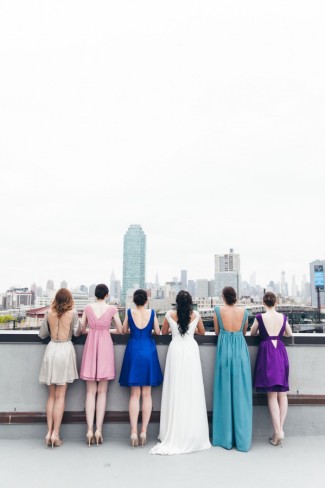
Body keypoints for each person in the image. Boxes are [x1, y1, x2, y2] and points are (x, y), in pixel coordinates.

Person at [150, 290, 211, 455]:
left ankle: (174, 430)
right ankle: (192, 431)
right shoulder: (196, 314)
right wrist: (190, 331)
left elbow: (163, 333)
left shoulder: (170, 314)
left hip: (176, 350)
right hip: (190, 350)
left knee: (175, 388)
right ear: (190, 302)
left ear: (176, 302)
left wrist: (173, 330)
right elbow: (203, 332)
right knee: (191, 389)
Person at [79, 284, 123, 446]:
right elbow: (120, 330)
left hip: (91, 346)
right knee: (102, 391)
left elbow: (81, 330)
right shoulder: (112, 309)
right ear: (107, 295)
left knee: (90, 392)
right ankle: (99, 430)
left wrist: (93, 330)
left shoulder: (87, 308)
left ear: (95, 294)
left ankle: (89, 430)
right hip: (105, 346)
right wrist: (106, 330)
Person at [39, 288, 82, 448]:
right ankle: (56, 434)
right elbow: (78, 332)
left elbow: (42, 334)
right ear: (69, 299)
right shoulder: (72, 312)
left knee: (51, 396)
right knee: (61, 396)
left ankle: (48, 432)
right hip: (65, 349)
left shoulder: (49, 312)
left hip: (51, 349)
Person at [119, 289, 163, 448]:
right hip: (148, 352)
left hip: (133, 350)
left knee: (134, 394)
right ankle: (144, 431)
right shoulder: (151, 313)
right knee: (147, 394)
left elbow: (124, 330)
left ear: (134, 300)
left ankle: (133, 432)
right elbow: (158, 331)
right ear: (146, 301)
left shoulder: (130, 312)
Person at [212, 286, 252, 452]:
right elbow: (243, 331)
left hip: (224, 352)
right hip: (240, 351)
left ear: (223, 296)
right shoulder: (244, 312)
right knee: (241, 394)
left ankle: (225, 438)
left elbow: (215, 332)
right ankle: (242, 440)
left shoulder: (217, 311)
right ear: (235, 297)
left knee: (224, 394)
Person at [250, 291, 292, 446]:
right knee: (282, 394)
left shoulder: (260, 317)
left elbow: (252, 332)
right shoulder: (283, 317)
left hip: (267, 352)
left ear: (263, 302)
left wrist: (264, 332)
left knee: (272, 396)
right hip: (280, 351)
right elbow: (289, 333)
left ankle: (278, 432)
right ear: (276, 302)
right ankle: (278, 431)